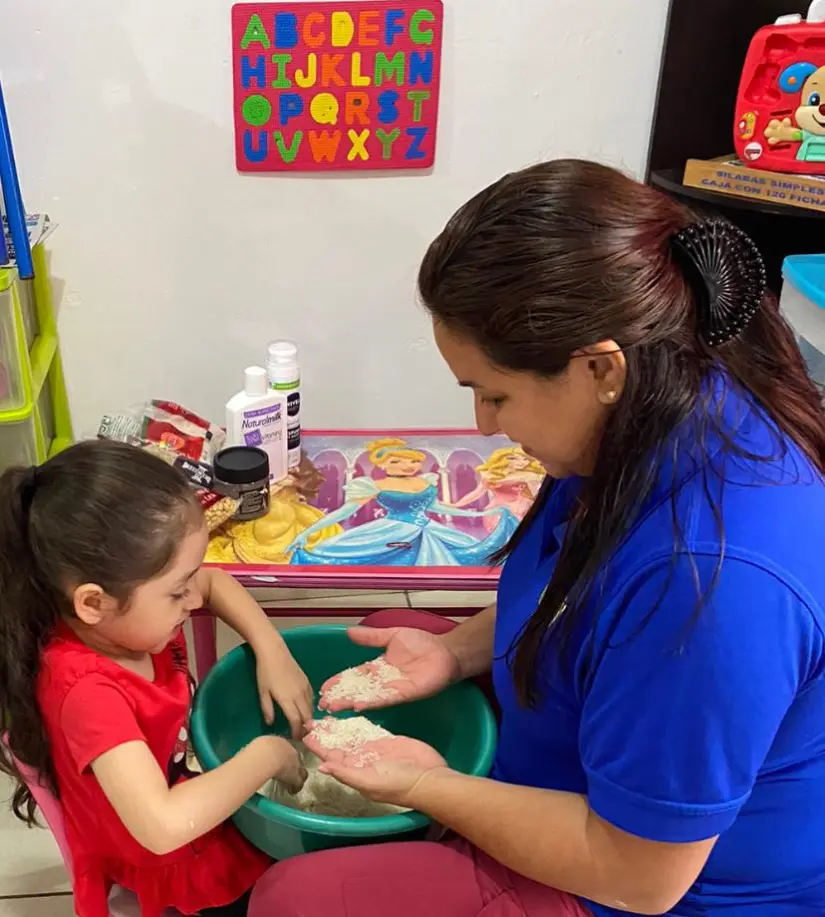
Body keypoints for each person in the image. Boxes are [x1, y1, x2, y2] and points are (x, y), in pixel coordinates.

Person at [249, 160, 825, 917]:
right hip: (608, 768)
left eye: (495, 394)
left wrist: (431, 787)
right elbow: (578, 589)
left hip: (651, 882)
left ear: (598, 367)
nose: (484, 425)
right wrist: (454, 649)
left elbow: (639, 873)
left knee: (295, 898)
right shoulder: (651, 408)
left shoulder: (713, 585)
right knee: (408, 634)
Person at [0, 440, 313, 917]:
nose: (192, 601)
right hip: (172, 857)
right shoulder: (88, 692)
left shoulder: (122, 623)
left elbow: (213, 582)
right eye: (176, 593)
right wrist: (270, 755)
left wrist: (273, 650)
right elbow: (162, 825)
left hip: (189, 796)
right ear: (93, 602)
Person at [287, 438, 519, 567]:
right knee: (355, 558)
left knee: (468, 555)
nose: (407, 466)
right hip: (392, 531)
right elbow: (344, 512)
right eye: (397, 461)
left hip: (430, 530)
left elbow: (435, 507)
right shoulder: (375, 486)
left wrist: (474, 516)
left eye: (412, 462)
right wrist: (308, 532)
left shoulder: (426, 482)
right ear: (383, 465)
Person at [451, 446, 545, 531]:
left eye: (525, 459)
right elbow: (477, 493)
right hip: (497, 510)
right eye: (516, 458)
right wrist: (457, 504)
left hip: (522, 508)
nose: (523, 462)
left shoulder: (530, 475)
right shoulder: (490, 476)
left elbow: (536, 494)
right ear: (505, 460)